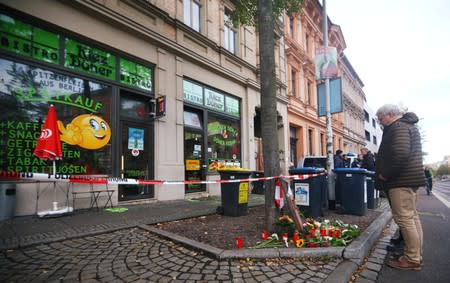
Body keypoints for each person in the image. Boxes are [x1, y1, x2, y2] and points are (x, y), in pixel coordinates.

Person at [375, 104, 426, 270]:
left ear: (390, 114)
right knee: (411, 218)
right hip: (407, 179)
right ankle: (415, 254)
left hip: (400, 181)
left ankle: (412, 259)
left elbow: (400, 154)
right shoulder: (407, 126)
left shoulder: (398, 127)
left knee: (405, 219)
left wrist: (385, 174)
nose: (380, 122)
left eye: (381, 118)